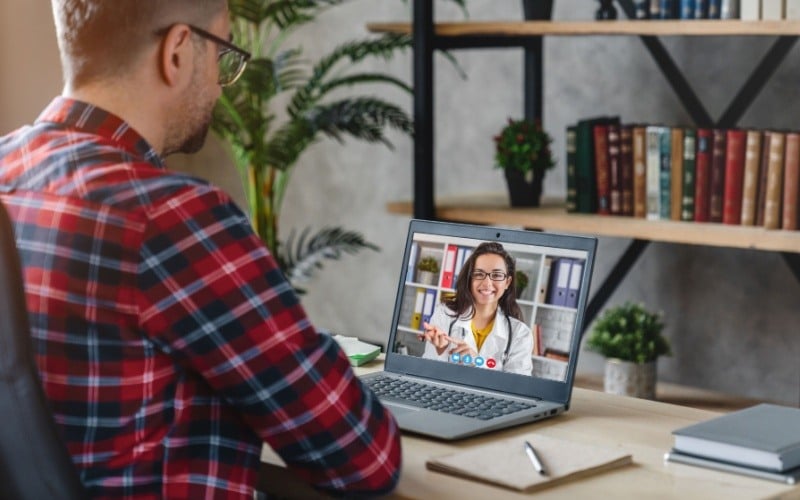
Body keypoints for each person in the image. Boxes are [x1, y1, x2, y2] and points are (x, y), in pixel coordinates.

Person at [0, 1, 400, 498]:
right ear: (178, 52)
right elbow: (365, 456)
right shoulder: (172, 218)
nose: (219, 83)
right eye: (224, 57)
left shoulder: (6, 170)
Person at [419, 242, 534, 375]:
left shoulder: (520, 334)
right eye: (479, 274)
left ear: (507, 282)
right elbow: (427, 373)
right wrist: (442, 351)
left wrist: (478, 362)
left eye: (496, 275)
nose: (487, 283)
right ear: (469, 279)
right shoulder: (444, 314)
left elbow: (517, 389)